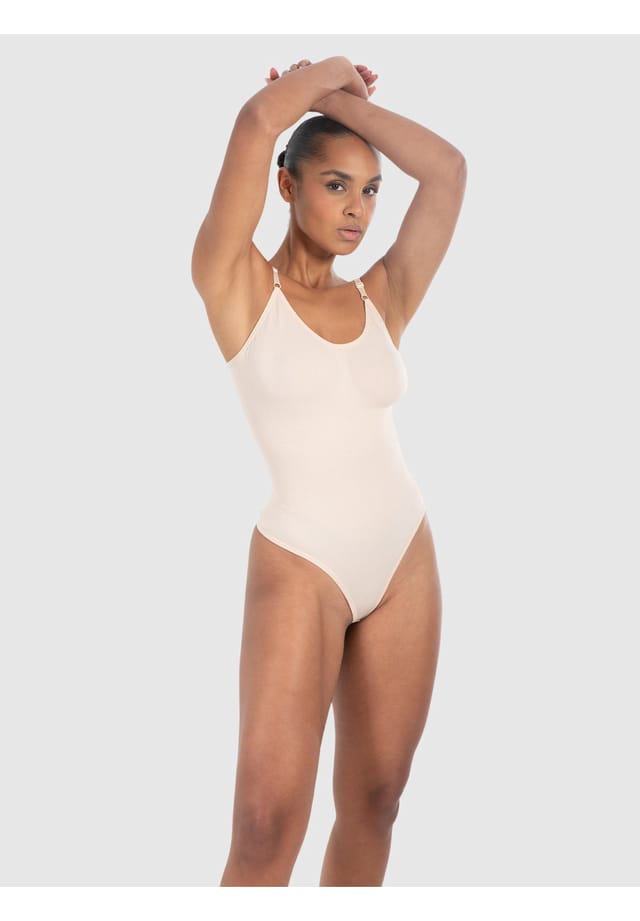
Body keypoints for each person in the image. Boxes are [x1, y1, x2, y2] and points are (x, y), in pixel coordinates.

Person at [191, 55, 466, 886]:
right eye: (337, 185)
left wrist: (344, 106)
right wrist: (324, 76)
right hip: (301, 562)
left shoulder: (383, 295)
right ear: (286, 185)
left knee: (377, 800)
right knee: (263, 827)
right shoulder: (236, 283)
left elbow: (447, 170)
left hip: (403, 556)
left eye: (371, 190)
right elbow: (254, 123)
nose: (359, 210)